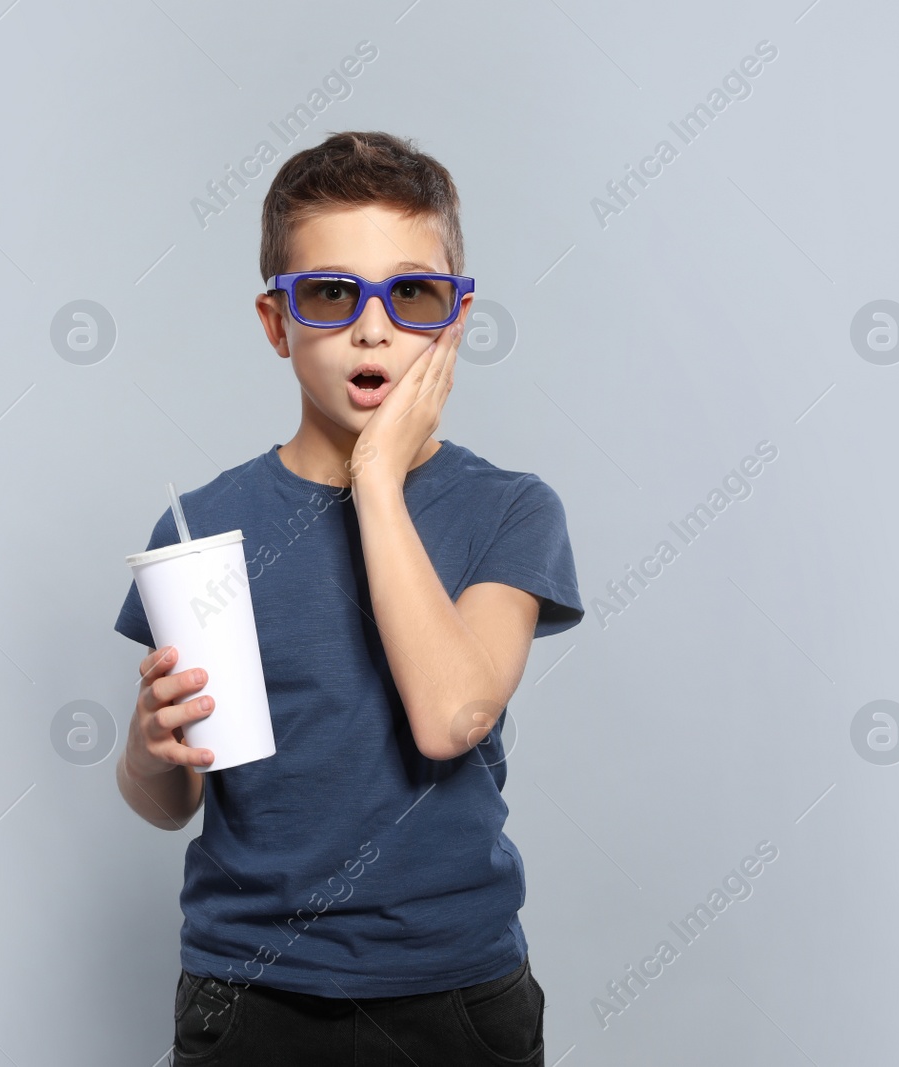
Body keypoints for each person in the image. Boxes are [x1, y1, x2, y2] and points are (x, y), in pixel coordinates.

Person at [113, 130, 584, 1066]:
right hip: (248, 993)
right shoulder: (203, 529)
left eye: (411, 293)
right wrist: (147, 749)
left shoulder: (510, 511)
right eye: (332, 293)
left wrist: (376, 478)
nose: (373, 329)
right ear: (276, 322)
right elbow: (171, 800)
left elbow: (453, 714)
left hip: (452, 991)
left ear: (455, 319)